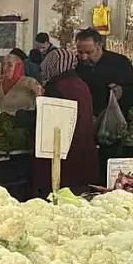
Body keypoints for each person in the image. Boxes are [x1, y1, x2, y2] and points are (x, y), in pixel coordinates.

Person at [75, 28, 133, 178]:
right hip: (84, 128)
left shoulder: (119, 63)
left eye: (89, 52)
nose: (84, 57)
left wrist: (122, 91)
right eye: (80, 53)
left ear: (99, 46)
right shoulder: (77, 65)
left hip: (111, 130)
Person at [33, 48, 98, 196]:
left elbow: (48, 118)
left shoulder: (57, 86)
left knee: (59, 199)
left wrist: (34, 105)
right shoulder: (81, 84)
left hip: (63, 158)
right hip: (83, 153)